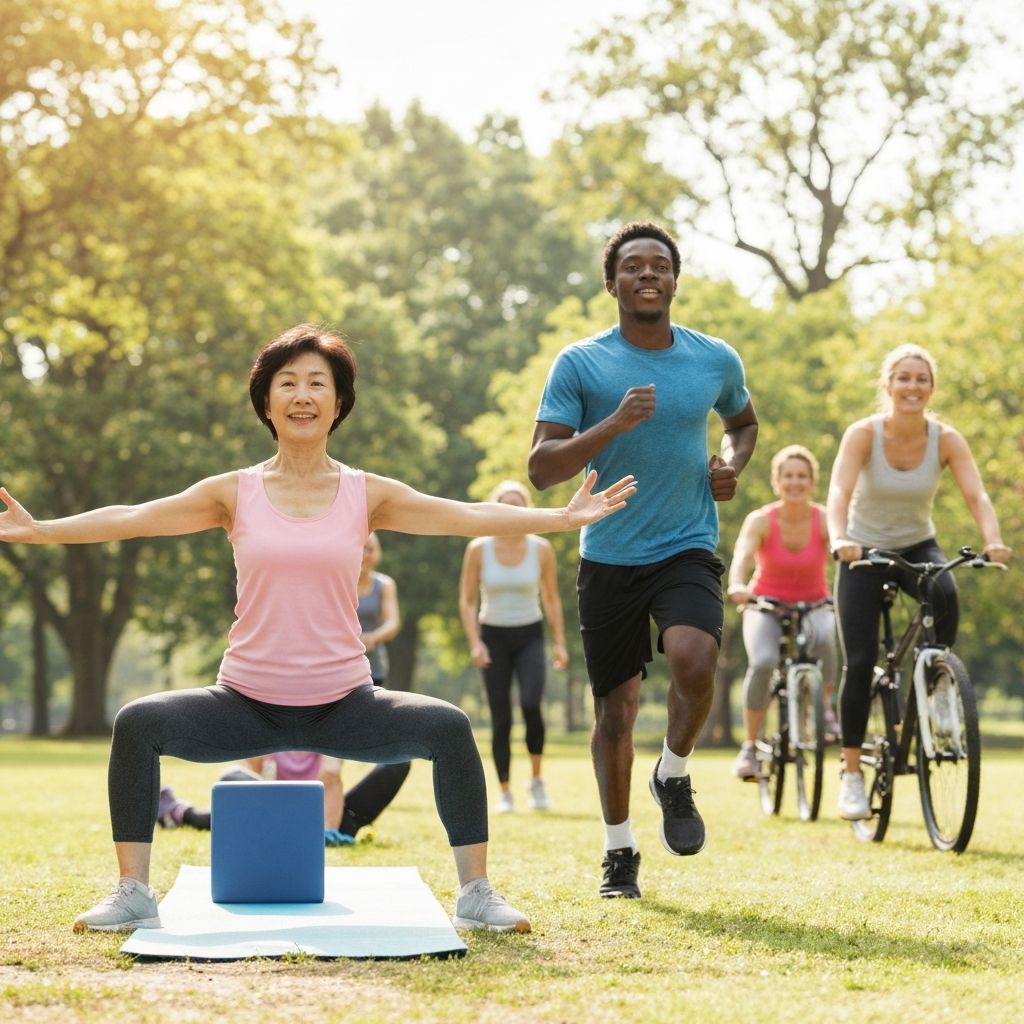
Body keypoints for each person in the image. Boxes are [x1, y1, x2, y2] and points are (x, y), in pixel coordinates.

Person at [0, 322, 636, 934]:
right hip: (244, 703)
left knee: (447, 726)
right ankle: (133, 893)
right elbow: (137, 516)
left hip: (345, 705)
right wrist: (42, 531)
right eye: (287, 382)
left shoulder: (368, 493)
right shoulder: (233, 492)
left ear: (338, 404)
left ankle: (476, 893)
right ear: (266, 402)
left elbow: (462, 515)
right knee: (138, 724)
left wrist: (556, 519)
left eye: (317, 383)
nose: (302, 394)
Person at [528, 222, 758, 899]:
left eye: (661, 264)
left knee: (695, 657)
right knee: (615, 715)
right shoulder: (581, 364)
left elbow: (742, 422)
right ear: (613, 284)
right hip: (609, 550)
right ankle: (618, 850)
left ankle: (675, 771)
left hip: (686, 540)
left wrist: (731, 465)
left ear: (675, 280)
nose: (648, 274)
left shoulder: (714, 358)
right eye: (634, 266)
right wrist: (612, 425)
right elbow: (541, 469)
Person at [827, 343, 1012, 820]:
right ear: (888, 385)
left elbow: (976, 493)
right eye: (904, 378)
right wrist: (839, 538)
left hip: (917, 545)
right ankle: (850, 777)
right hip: (863, 550)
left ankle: (939, 694)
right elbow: (840, 491)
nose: (912, 387)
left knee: (945, 592)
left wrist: (992, 540)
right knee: (861, 660)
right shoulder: (863, 434)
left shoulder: (946, 439)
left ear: (932, 388)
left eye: (921, 379)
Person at [726, 445, 838, 781]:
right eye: (788, 476)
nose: (795, 482)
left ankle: (824, 709)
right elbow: (743, 556)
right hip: (766, 604)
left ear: (812, 481)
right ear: (777, 481)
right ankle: (749, 747)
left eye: (802, 476)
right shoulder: (761, 520)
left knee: (827, 639)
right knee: (762, 662)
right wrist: (737, 583)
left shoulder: (824, 519)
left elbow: (839, 555)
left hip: (815, 601)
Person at [459, 480, 568, 814]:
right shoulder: (479, 548)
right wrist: (475, 642)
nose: (513, 511)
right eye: (506, 505)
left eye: (519, 504)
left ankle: (536, 781)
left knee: (532, 704)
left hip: (530, 634)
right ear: (496, 509)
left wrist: (560, 642)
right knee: (501, 716)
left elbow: (550, 598)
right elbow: (466, 600)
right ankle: (504, 790)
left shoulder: (541, 549)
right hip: (493, 636)